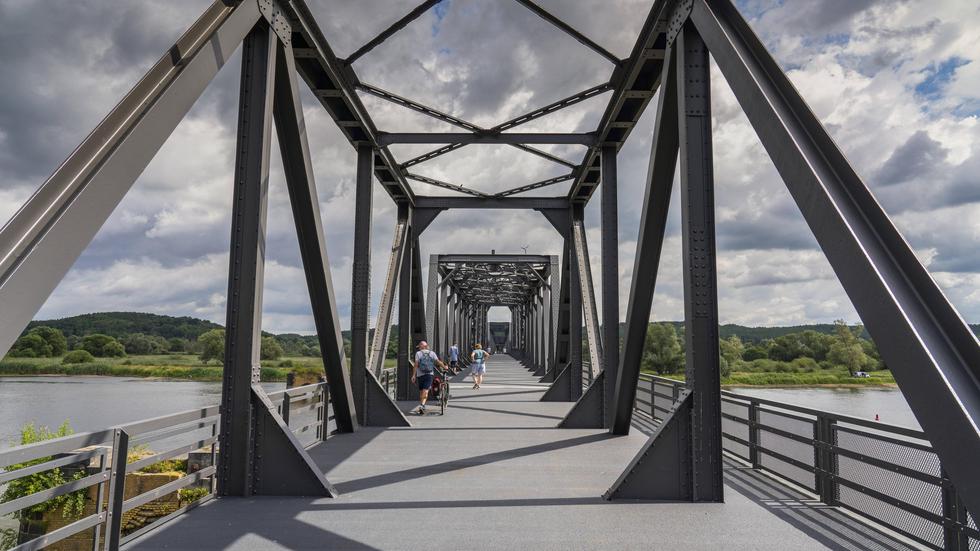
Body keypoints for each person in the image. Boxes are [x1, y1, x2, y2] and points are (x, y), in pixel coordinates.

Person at [412, 341, 447, 415]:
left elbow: (416, 365)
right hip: (429, 374)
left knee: (422, 391)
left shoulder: (418, 353)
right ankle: (422, 405)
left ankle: (422, 405)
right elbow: (438, 362)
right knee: (426, 390)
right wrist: (445, 367)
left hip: (420, 375)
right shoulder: (432, 353)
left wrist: (413, 375)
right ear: (426, 346)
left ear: (420, 347)